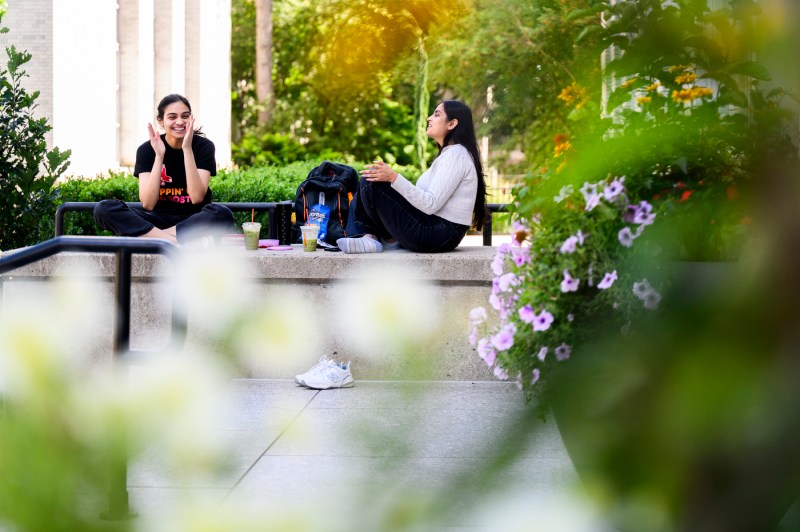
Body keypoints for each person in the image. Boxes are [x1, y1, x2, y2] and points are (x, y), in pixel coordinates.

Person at [336, 99, 487, 254]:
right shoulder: (449, 155)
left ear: (452, 124)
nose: (429, 118)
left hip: (438, 234)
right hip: (435, 231)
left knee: (370, 181)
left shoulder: (456, 154)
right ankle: (374, 238)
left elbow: (430, 203)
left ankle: (369, 237)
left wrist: (394, 178)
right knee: (371, 177)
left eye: (436, 114)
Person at [94, 94, 233, 246]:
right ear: (160, 121)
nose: (179, 121)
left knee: (221, 214)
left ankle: (155, 237)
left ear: (191, 119)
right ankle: (173, 240)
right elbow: (148, 204)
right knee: (104, 209)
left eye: (185, 116)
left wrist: (187, 148)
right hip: (157, 220)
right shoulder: (147, 149)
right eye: (172, 117)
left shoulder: (204, 147)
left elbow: (197, 197)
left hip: (193, 219)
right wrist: (159, 156)